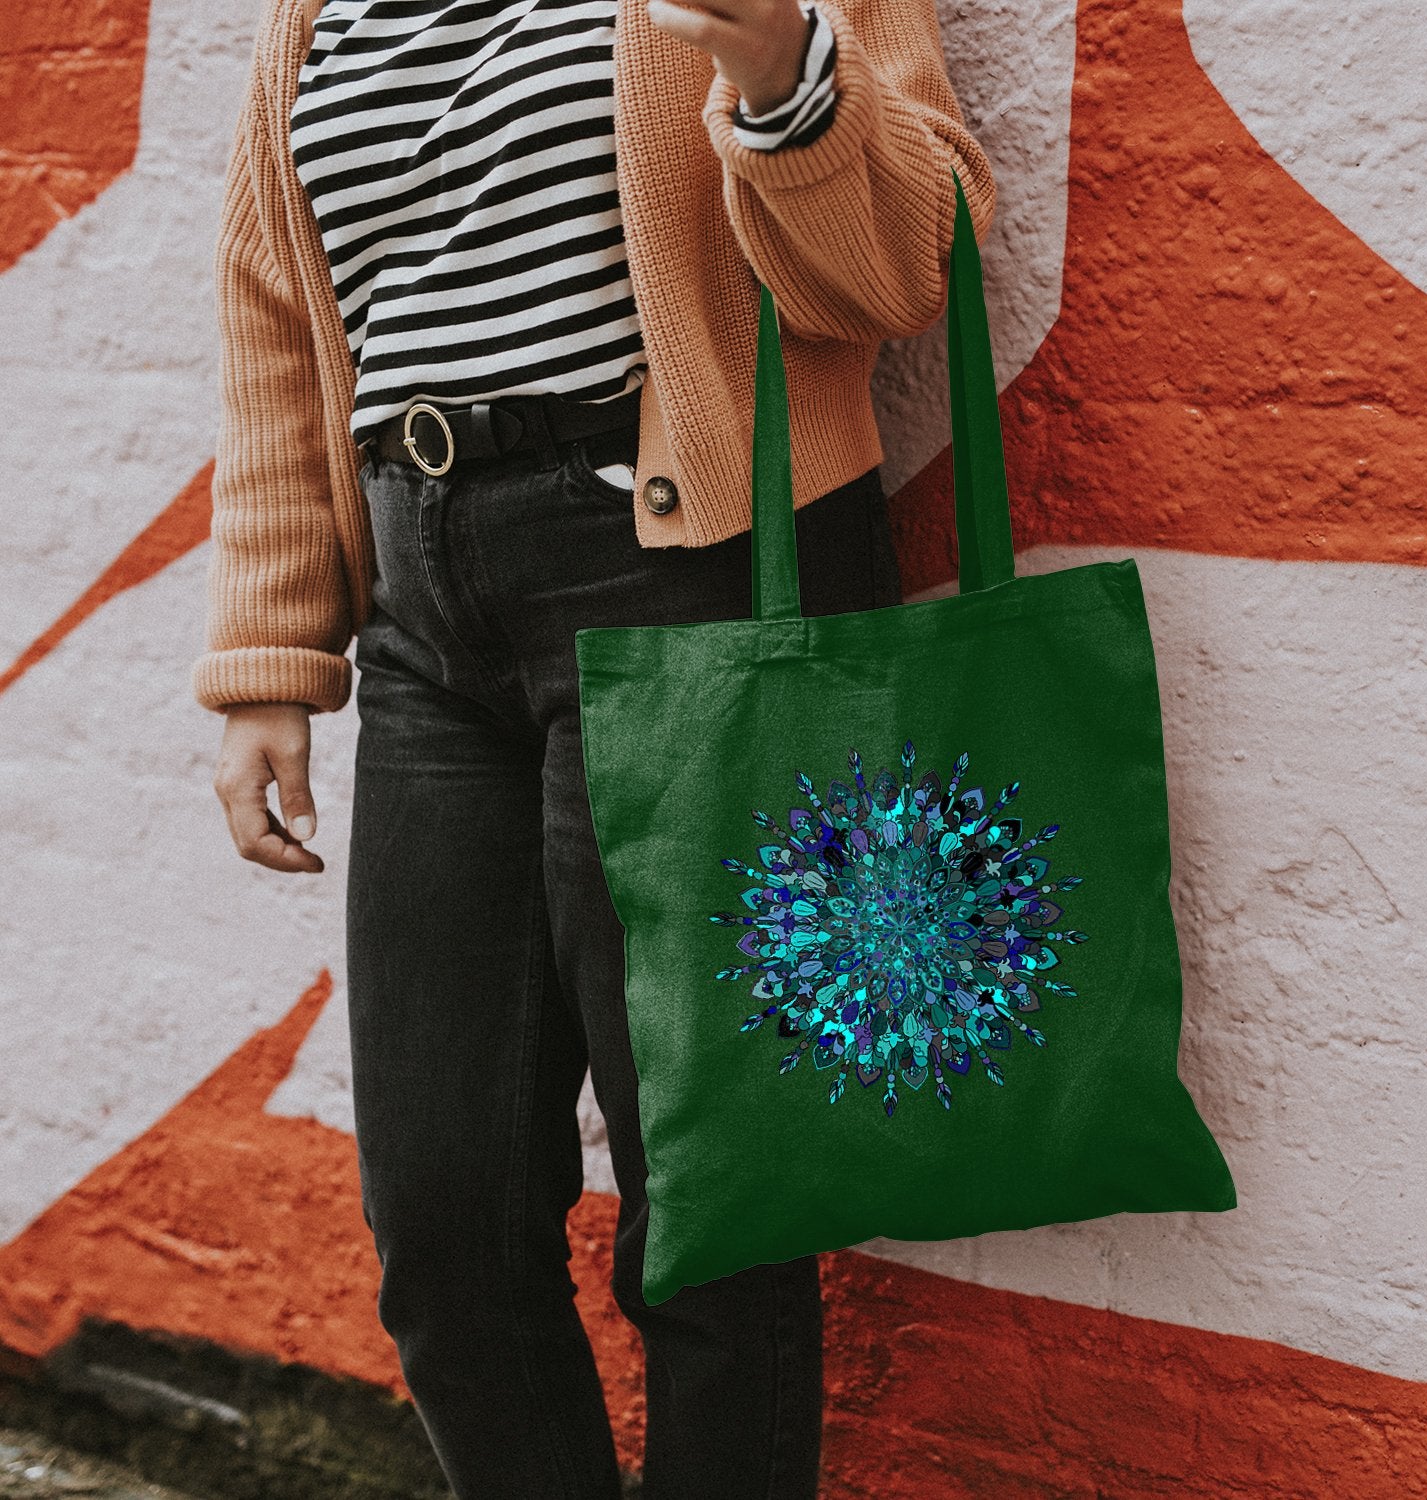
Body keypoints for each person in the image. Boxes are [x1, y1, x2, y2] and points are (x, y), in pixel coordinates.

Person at [195, 0, 996, 1493]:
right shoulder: (311, 12)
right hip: (426, 612)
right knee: (443, 1228)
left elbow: (905, 265)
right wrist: (268, 651)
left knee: (708, 1213)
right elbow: (273, 316)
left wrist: (781, 72)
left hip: (693, 577)